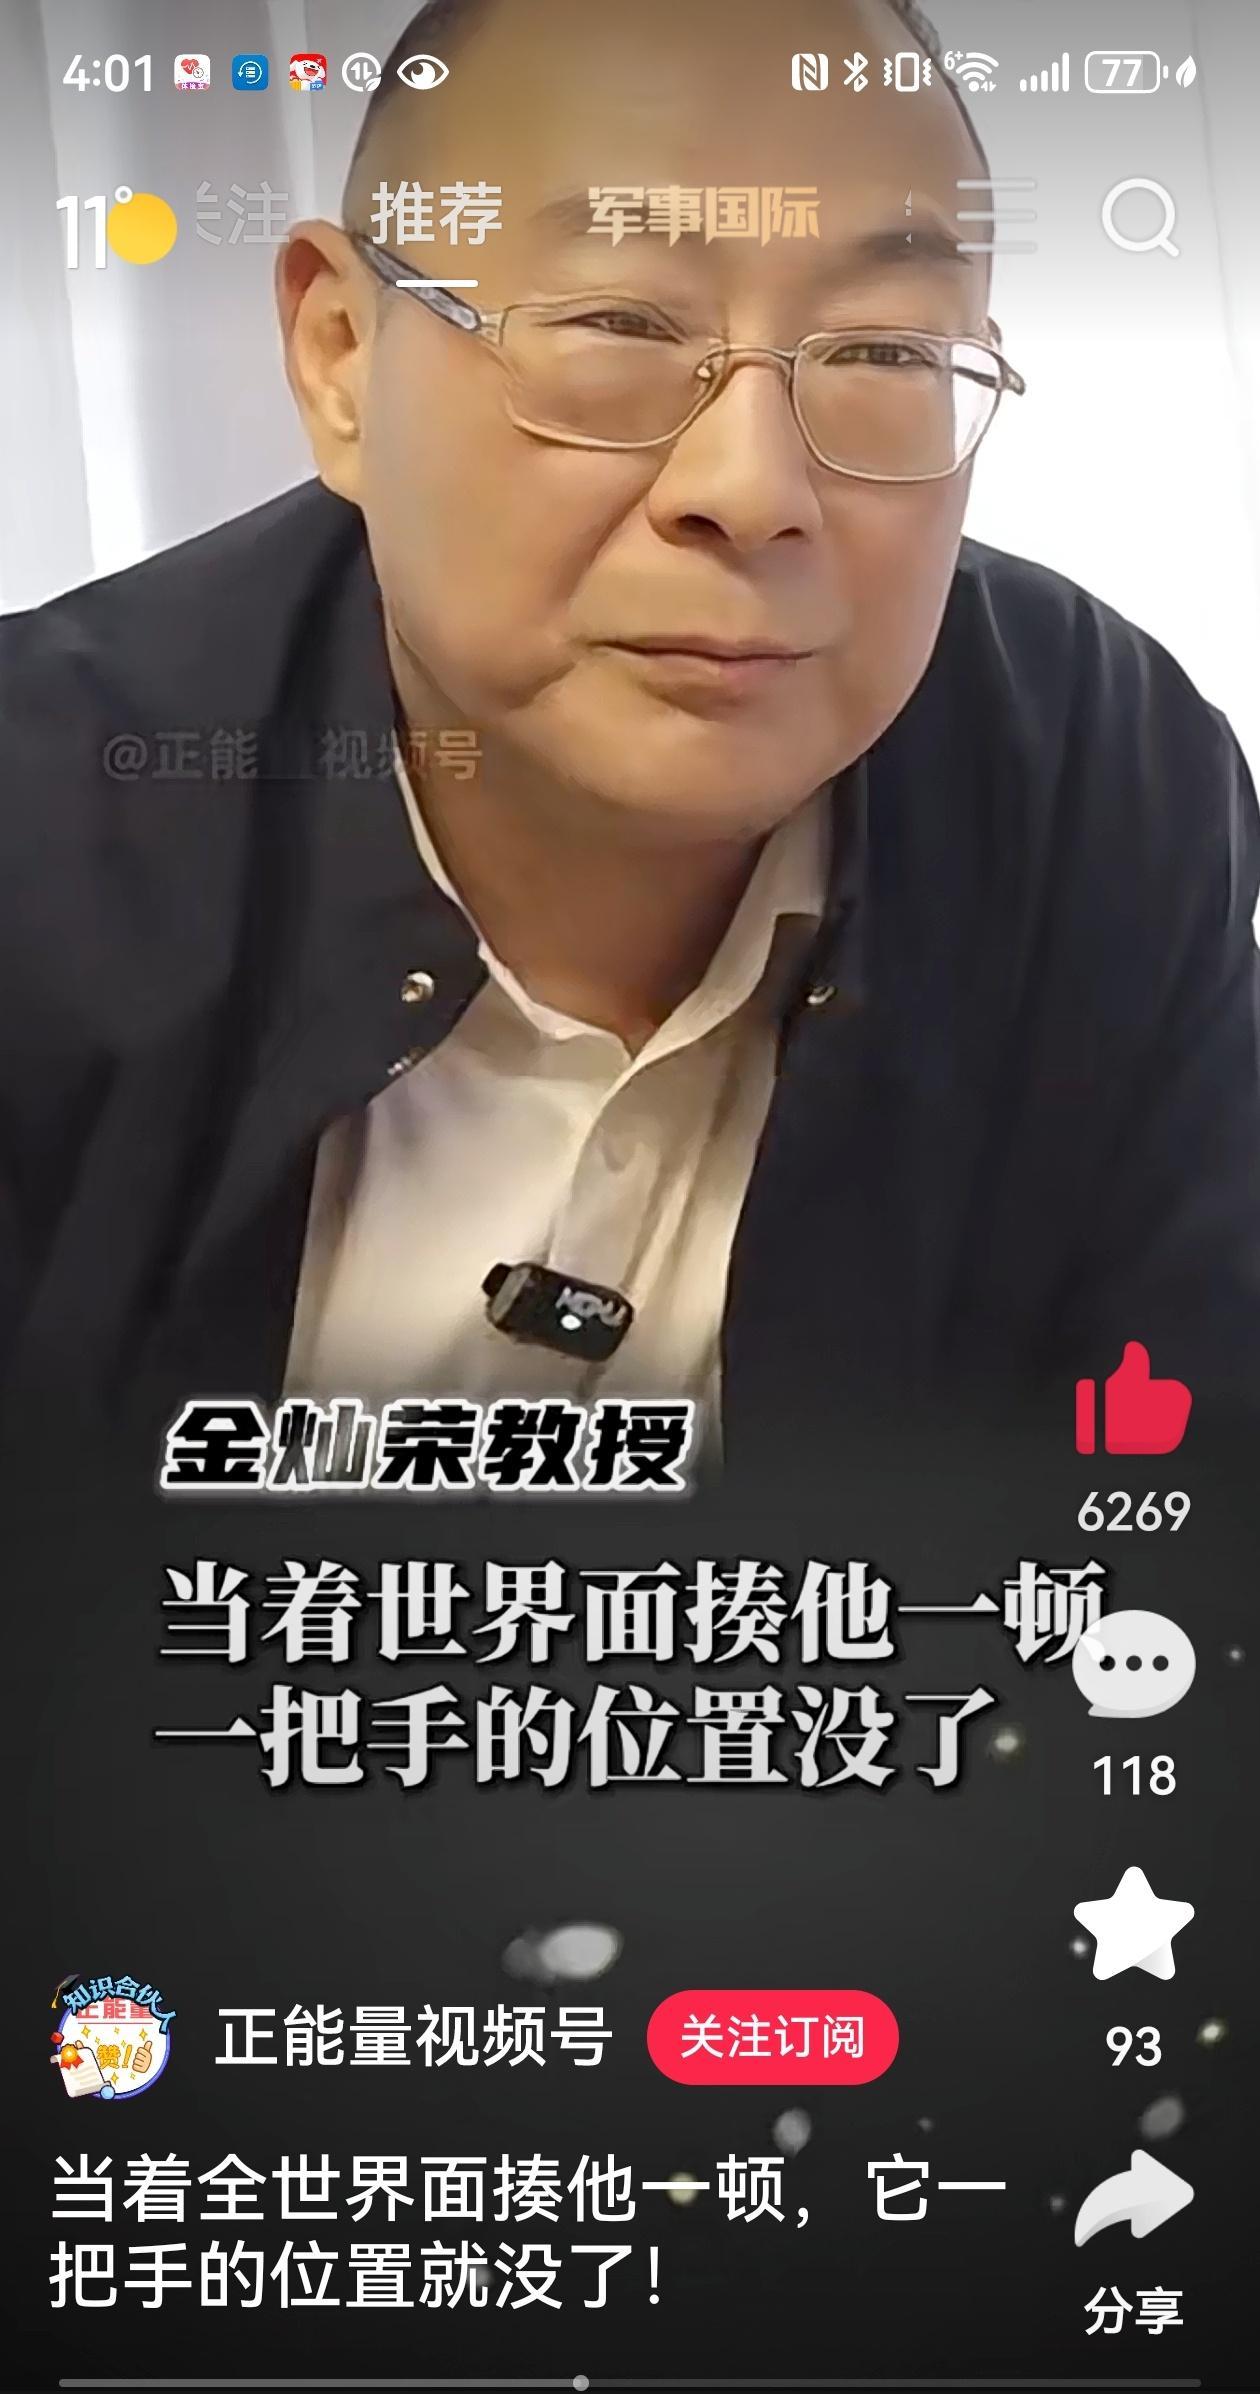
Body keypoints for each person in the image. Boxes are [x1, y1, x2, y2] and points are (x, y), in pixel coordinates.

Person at [1, 0, 1258, 1483]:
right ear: (342, 354)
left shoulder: (1100, 786)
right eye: (620, 325)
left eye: (883, 349)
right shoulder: (49, 830)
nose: (752, 487)